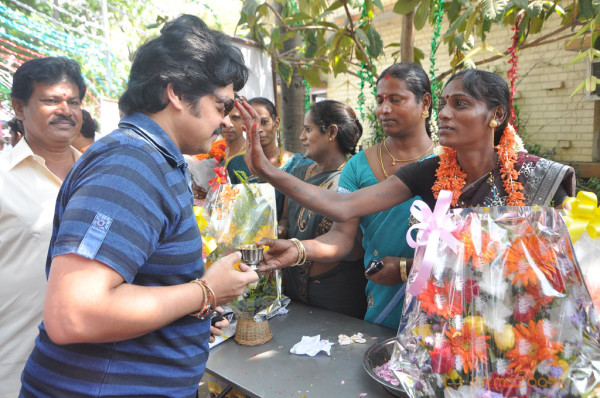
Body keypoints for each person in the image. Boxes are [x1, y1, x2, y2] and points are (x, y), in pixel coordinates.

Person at [20, 15, 258, 397]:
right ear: (178, 93)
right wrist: (206, 292)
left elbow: (136, 286)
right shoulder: (130, 164)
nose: (225, 120)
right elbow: (74, 313)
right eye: (221, 105)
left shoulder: (151, 158)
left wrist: (186, 314)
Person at [241, 69, 574, 269]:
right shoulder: (428, 171)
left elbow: (566, 263)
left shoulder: (538, 177)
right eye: (444, 104)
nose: (444, 114)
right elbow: (344, 205)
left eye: (460, 104)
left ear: (496, 115)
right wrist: (269, 172)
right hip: (451, 323)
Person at [254, 63, 436, 328]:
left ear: (425, 103)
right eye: (380, 100)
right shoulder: (358, 166)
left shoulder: (449, 164)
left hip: (440, 301)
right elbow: (342, 238)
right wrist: (298, 249)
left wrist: (407, 267)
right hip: (381, 298)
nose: (384, 109)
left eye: (396, 99)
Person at [0, 57, 84, 397]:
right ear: (19, 108)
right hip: (13, 364)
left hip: (89, 366)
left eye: (74, 101)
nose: (66, 110)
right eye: (51, 100)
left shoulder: (100, 176)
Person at [279, 100, 366, 318]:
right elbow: (285, 222)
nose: (301, 137)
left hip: (336, 297)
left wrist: (303, 249)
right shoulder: (298, 174)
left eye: (308, 129)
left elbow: (356, 246)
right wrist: (277, 232)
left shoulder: (353, 179)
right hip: (292, 292)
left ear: (331, 132)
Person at [227, 97, 313, 218]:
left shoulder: (300, 164)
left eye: (264, 122)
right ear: (244, 125)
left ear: (276, 123)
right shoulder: (235, 165)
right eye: (252, 123)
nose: (258, 129)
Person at [223, 93, 247, 166]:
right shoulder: (210, 151)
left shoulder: (253, 154)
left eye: (235, 118)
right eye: (224, 116)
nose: (228, 124)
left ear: (245, 121)